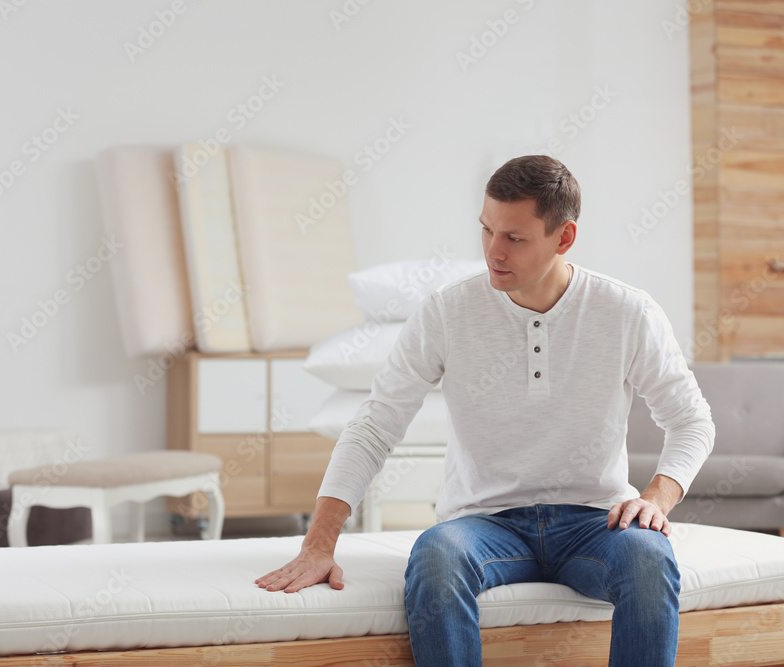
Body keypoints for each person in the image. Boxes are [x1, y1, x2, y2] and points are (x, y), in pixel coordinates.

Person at [255, 155, 715, 666]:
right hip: (483, 523)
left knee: (650, 559)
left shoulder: (627, 312)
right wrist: (319, 543)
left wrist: (658, 496)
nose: (493, 252)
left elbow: (691, 420)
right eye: (486, 230)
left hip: (594, 520)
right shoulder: (447, 312)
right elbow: (373, 426)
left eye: (514, 238)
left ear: (564, 238)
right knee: (436, 557)